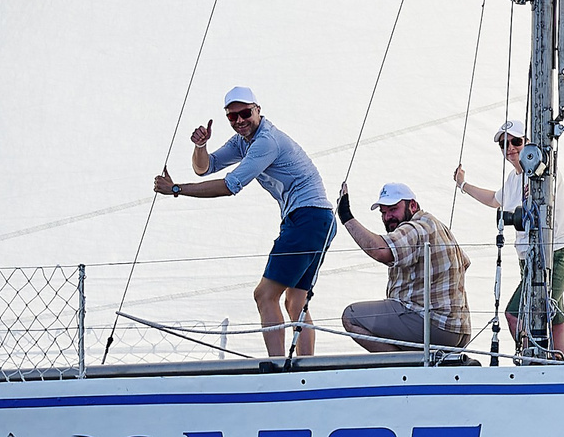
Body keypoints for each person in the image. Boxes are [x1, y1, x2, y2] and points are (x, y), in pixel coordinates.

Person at [152, 87, 333, 358]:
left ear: (258, 110)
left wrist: (176, 189)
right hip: (320, 220)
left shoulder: (266, 141)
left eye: (245, 113)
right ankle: (308, 368)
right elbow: (205, 168)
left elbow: (230, 185)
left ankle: (277, 367)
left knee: (264, 295)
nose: (239, 121)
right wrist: (200, 146)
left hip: (306, 218)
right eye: (232, 117)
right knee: (296, 301)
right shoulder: (243, 142)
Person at [455, 120, 564, 357]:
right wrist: (463, 185)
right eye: (504, 144)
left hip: (556, 255)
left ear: (527, 143)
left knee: (514, 314)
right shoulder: (513, 179)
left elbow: (541, 199)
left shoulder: (545, 170)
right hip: (529, 261)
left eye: (516, 142)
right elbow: (494, 200)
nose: (510, 148)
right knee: (557, 320)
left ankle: (531, 360)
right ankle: (563, 366)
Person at [337, 180, 472, 354]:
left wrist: (346, 217)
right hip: (458, 331)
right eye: (383, 212)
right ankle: (416, 365)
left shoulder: (416, 227)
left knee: (352, 317)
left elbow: (381, 251)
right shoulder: (437, 226)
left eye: (393, 209)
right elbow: (465, 263)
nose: (387, 217)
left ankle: (403, 367)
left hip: (434, 327)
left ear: (413, 206)